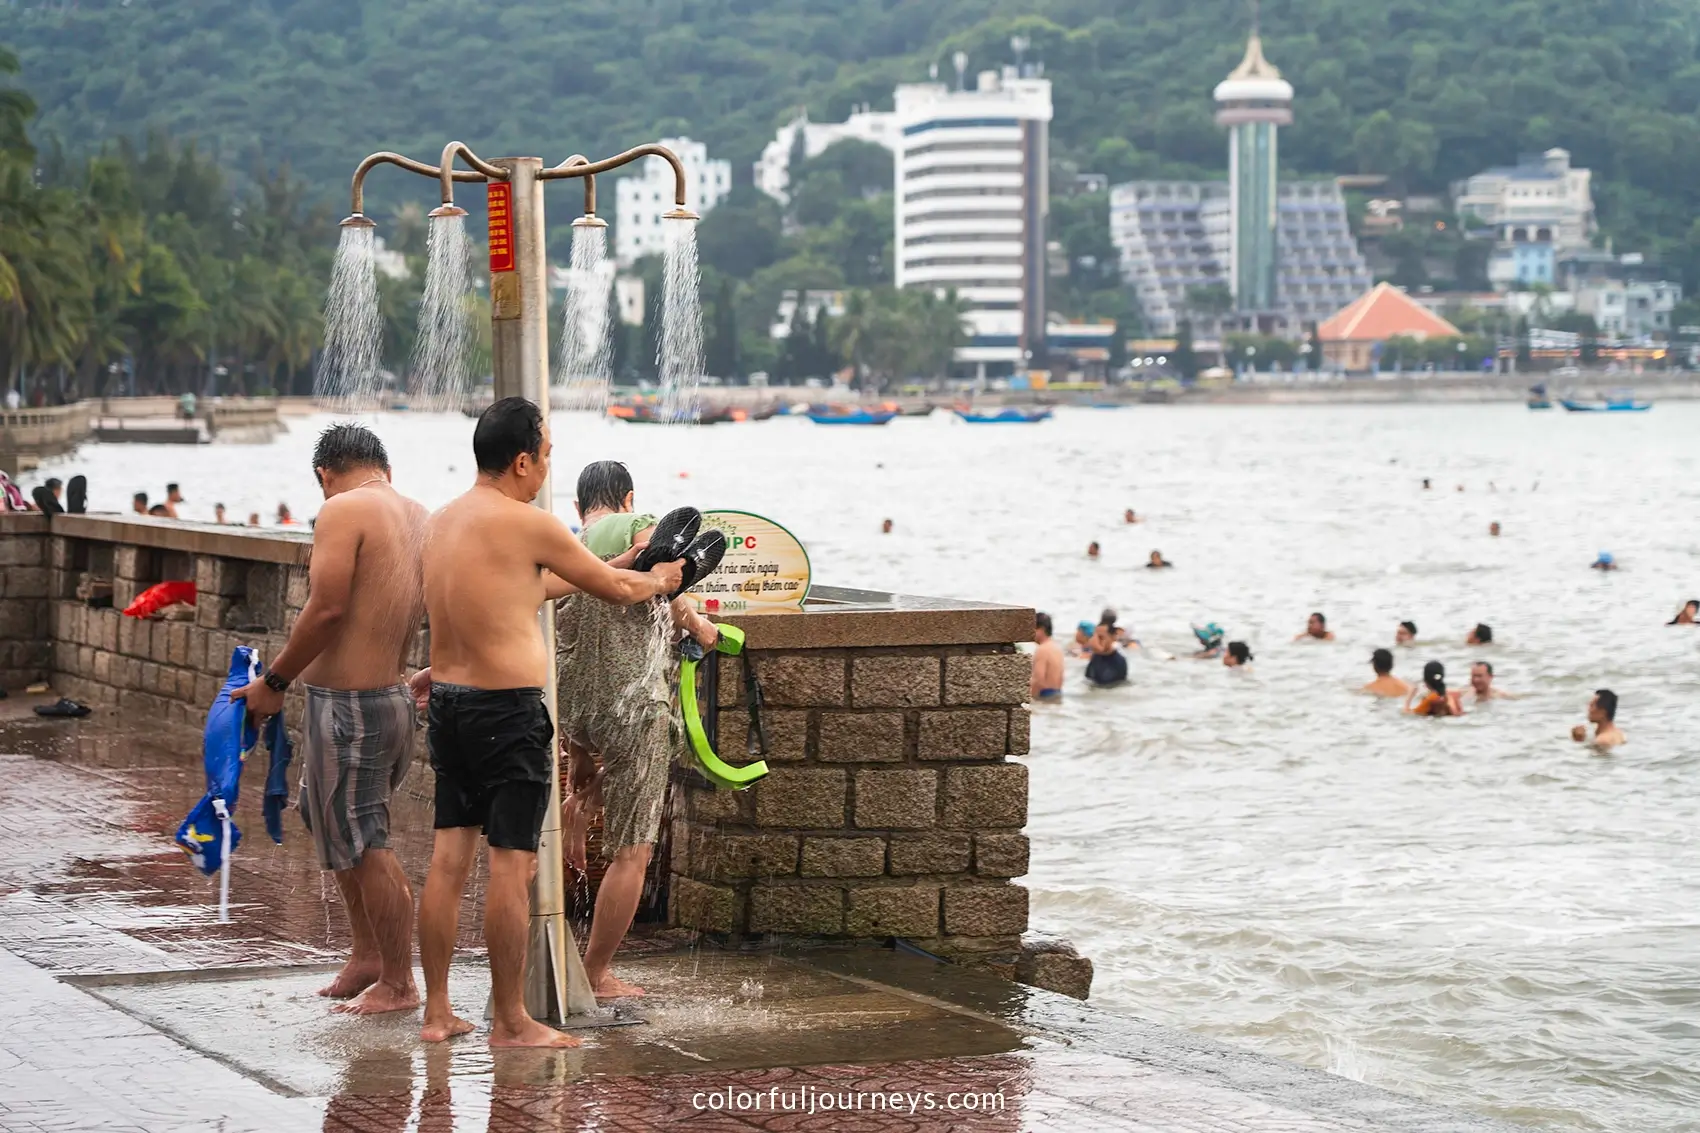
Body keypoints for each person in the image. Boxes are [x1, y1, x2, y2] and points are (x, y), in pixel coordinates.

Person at [413, 398, 681, 1048]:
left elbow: (533, 589)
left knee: (449, 860)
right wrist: (663, 577)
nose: (549, 469)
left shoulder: (444, 520)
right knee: (512, 866)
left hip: (448, 702)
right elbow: (618, 593)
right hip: (506, 712)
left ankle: (437, 1011)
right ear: (523, 459)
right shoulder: (526, 522)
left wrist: (617, 568)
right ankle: (510, 1020)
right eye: (547, 455)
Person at [231, 424, 427, 1016]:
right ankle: (368, 955)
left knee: (365, 840)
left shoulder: (342, 508)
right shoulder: (418, 513)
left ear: (324, 475)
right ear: (383, 466)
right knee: (328, 820)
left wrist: (273, 683)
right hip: (387, 698)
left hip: (353, 709)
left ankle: (399, 980)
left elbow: (327, 607)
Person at [555, 460, 720, 1000]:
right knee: (633, 851)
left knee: (644, 754)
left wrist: (578, 756)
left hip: (576, 702)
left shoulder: (570, 545)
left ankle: (580, 805)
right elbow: (663, 587)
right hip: (632, 700)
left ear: (582, 506)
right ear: (627, 499)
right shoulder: (638, 524)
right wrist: (698, 622)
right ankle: (596, 974)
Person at [1084, 616, 1128, 688]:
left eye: (1101, 638)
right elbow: (1088, 678)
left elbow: (1107, 684)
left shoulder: (1119, 661)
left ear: (1113, 637)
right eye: (1094, 636)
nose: (1095, 641)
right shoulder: (1095, 656)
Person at [1031, 613, 1064, 700]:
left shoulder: (1042, 650)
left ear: (1041, 629)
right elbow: (1061, 677)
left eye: (1033, 629)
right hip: (1057, 694)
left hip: (1044, 696)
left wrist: (1030, 699)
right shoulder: (1057, 648)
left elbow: (1038, 679)